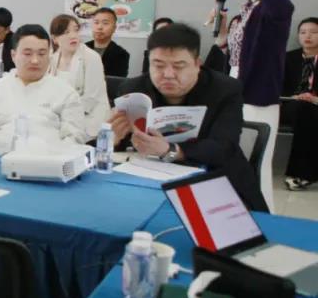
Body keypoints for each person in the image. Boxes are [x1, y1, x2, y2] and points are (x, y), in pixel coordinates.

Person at [109, 23, 266, 212]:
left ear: (197, 64)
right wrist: (112, 138)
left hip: (216, 179)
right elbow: (120, 144)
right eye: (158, 65)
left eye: (178, 66)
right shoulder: (133, 90)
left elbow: (224, 146)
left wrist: (171, 151)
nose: (168, 75)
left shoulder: (225, 89)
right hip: (150, 180)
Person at [222, 0, 294, 210]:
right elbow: (242, 53)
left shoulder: (268, 7)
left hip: (257, 95)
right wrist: (222, 37)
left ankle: (264, 218)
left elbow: (283, 8)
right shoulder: (248, 9)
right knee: (236, 163)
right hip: (237, 90)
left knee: (255, 164)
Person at [0, 24, 86, 146]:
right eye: (28, 54)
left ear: (49, 55)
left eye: (41, 54)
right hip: (2, 154)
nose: (35, 60)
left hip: (51, 155)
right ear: (13, 55)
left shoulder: (66, 93)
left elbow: (75, 138)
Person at [48, 14, 109, 141]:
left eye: (76, 30)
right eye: (66, 32)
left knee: (62, 140)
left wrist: (62, 115)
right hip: (60, 117)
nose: (73, 36)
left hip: (89, 119)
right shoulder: (52, 58)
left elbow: (90, 99)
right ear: (55, 39)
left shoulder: (91, 57)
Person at [282, 17, 318, 191]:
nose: (307, 36)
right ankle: (303, 174)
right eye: (303, 32)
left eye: (314, 32)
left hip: (315, 105)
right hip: (290, 104)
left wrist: (314, 99)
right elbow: (277, 86)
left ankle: (302, 174)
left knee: (309, 111)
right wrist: (295, 97)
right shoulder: (288, 58)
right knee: (305, 111)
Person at [87, 7, 131, 77]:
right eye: (96, 22)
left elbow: (117, 82)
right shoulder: (81, 48)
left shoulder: (121, 54)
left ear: (114, 28)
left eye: (105, 23)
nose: (99, 27)